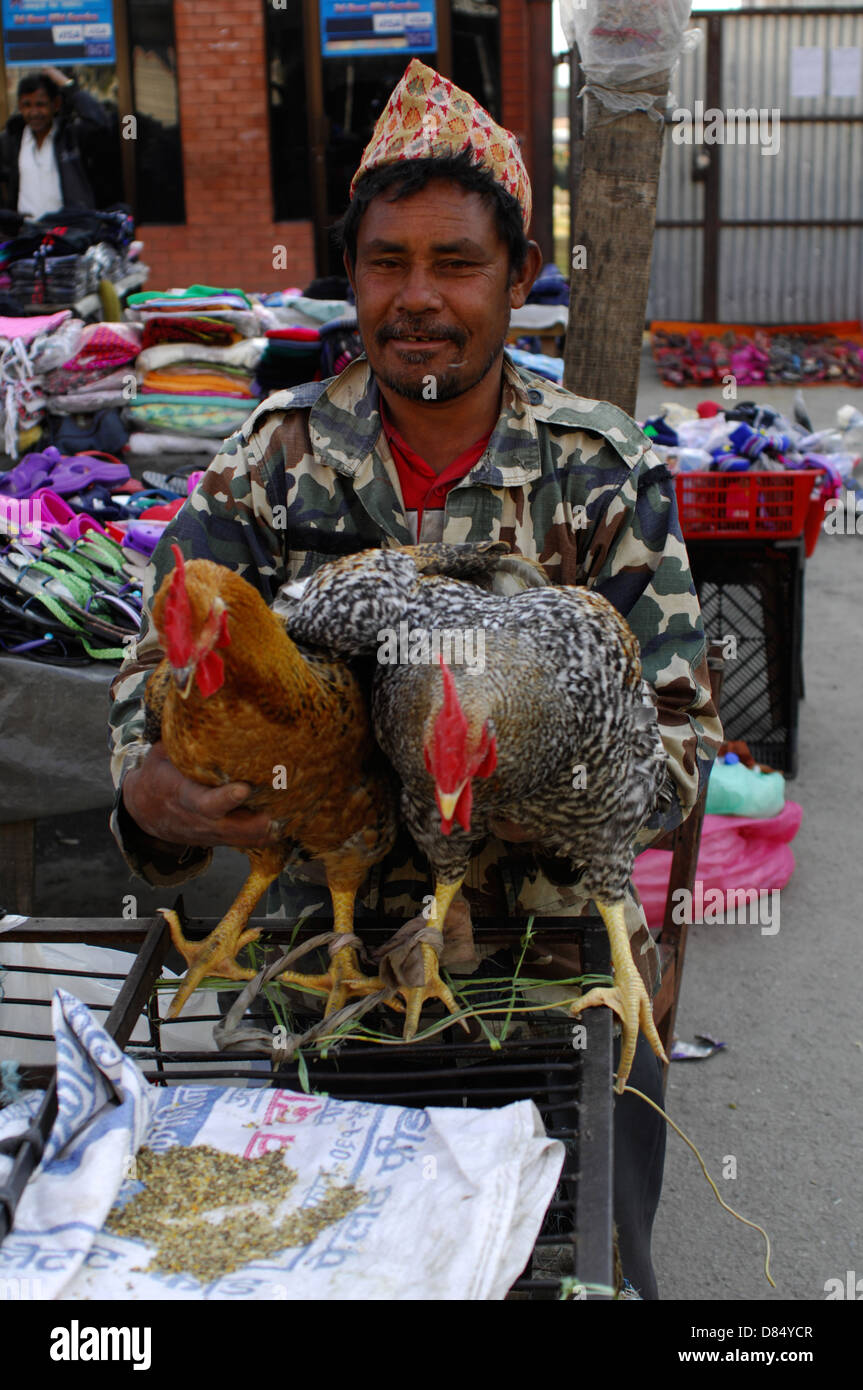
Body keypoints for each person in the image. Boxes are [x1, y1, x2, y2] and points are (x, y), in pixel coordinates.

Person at [109, 59, 722, 1298]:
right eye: (387, 263)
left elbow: (680, 743)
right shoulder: (272, 466)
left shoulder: (597, 473)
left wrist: (513, 779)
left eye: (455, 262)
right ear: (352, 276)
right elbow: (153, 677)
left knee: (580, 1277)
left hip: (557, 989)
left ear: (518, 279)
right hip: (330, 985)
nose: (418, 299)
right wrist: (151, 796)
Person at [0, 67, 110, 218]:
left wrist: (68, 85)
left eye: (40, 104)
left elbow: (99, 123)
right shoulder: (10, 141)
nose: (34, 112)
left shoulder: (70, 137)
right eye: (27, 105)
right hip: (27, 235)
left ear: (56, 104)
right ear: (19, 106)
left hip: (68, 233)